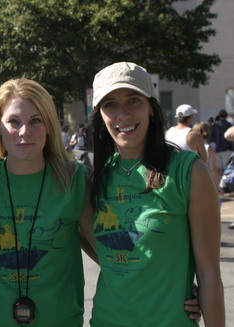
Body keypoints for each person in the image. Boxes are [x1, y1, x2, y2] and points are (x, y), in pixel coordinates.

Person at [0, 78, 97, 326]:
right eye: (14, 121)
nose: (24, 132)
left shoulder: (75, 181)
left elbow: (111, 257)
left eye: (35, 121)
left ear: (49, 125)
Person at [90, 62, 224, 326]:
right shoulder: (97, 177)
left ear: (151, 108)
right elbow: (82, 235)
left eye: (133, 100)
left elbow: (209, 271)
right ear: (100, 115)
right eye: (110, 104)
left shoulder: (189, 172)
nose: (123, 114)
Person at [191, 121, 223, 198]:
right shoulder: (209, 148)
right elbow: (213, 169)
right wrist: (217, 186)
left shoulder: (190, 147)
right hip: (206, 181)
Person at [212, 109, 233, 175]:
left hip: (217, 148)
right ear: (226, 116)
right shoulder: (229, 124)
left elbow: (212, 136)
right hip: (227, 149)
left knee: (218, 167)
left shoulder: (215, 125)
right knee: (226, 167)